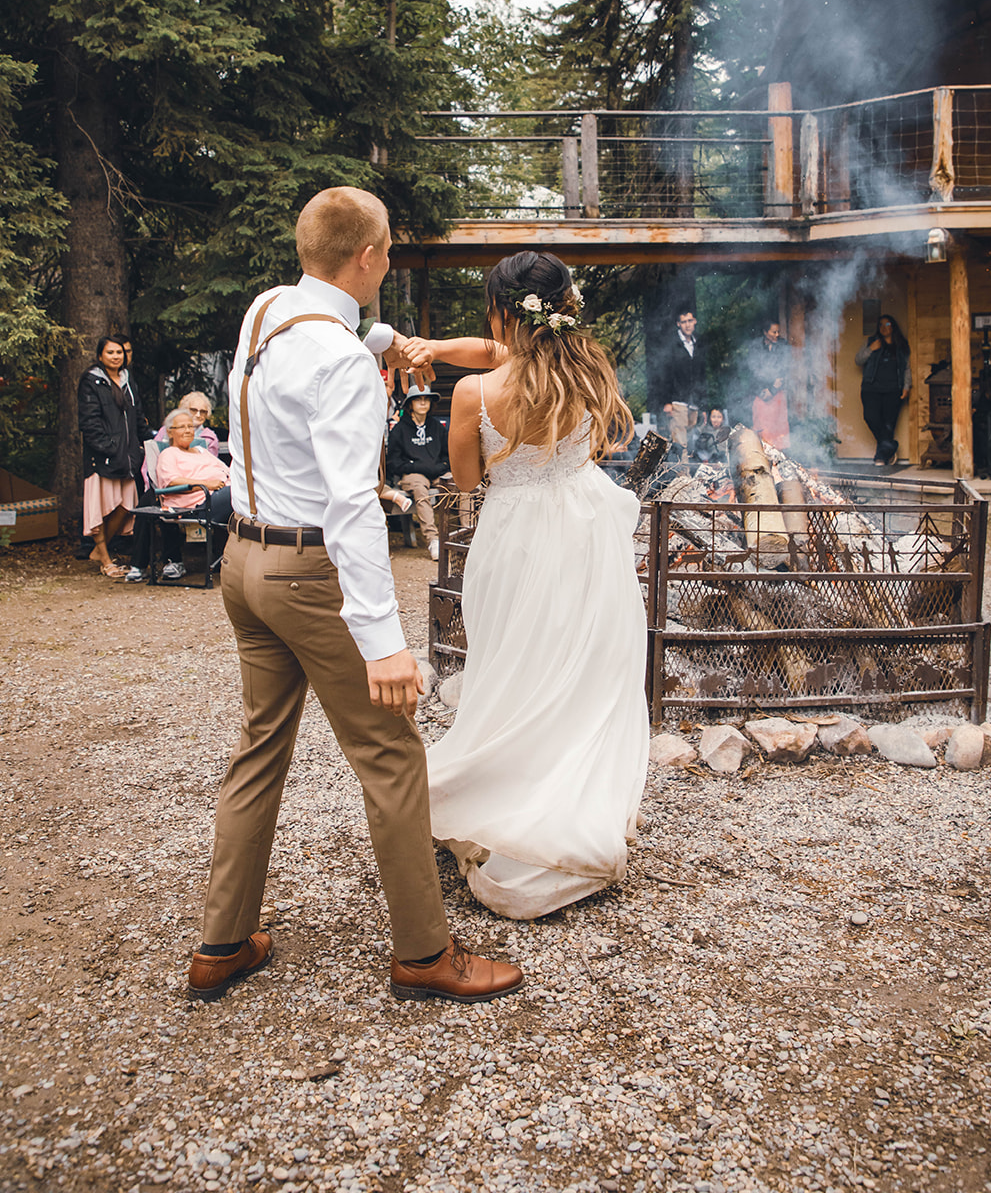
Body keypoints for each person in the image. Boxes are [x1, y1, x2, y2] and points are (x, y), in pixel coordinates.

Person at [187, 186, 521, 1006]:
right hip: (308, 577)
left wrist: (392, 339)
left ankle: (221, 943)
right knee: (392, 755)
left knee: (259, 749)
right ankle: (422, 954)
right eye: (386, 253)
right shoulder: (340, 365)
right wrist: (383, 640)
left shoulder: (268, 310)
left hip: (243, 566)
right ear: (369, 258)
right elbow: (349, 507)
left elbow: (335, 326)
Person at [423, 252, 650, 920]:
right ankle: (572, 802)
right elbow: (518, 355)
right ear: (564, 306)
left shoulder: (474, 393)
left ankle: (495, 799)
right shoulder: (585, 372)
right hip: (584, 531)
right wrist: (437, 347)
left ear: (500, 312)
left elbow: (466, 481)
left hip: (514, 537)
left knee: (511, 666)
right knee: (579, 672)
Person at [77, 335, 151, 578]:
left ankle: (100, 550)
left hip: (128, 456)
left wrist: (145, 443)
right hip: (103, 457)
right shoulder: (91, 381)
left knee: (128, 505)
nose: (116, 356)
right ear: (100, 356)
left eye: (119, 352)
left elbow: (137, 415)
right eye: (110, 352)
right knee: (99, 507)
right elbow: (89, 422)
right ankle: (105, 559)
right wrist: (108, 448)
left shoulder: (128, 381)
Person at [152, 407, 232, 581]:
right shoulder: (169, 454)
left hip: (221, 495)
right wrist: (206, 484)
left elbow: (226, 471)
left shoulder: (201, 451)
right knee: (239, 494)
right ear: (170, 432)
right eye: (182, 427)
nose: (188, 430)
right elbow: (171, 481)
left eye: (190, 426)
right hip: (198, 505)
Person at [386, 388, 450, 560]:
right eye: (418, 400)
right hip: (412, 474)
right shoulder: (400, 429)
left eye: (426, 400)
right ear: (410, 405)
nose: (423, 403)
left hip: (436, 472)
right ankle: (433, 539)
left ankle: (466, 535)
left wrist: (441, 467)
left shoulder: (436, 426)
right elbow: (393, 462)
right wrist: (417, 467)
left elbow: (447, 454)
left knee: (457, 485)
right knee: (420, 490)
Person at [855, 314, 911, 464]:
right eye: (881, 325)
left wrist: (906, 387)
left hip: (893, 390)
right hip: (871, 389)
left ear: (893, 327)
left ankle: (881, 457)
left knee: (888, 424)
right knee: (870, 417)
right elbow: (858, 360)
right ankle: (890, 447)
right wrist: (870, 349)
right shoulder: (871, 342)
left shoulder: (901, 345)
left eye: (887, 324)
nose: (884, 328)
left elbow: (907, 368)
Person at [662, 308, 706, 454]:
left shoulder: (697, 344)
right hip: (677, 400)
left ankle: (686, 473)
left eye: (690, 321)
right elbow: (666, 374)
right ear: (678, 324)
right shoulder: (673, 345)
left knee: (690, 439)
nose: (687, 325)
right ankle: (681, 474)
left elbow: (701, 375)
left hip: (693, 401)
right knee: (680, 441)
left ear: (695, 322)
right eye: (683, 322)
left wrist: (702, 402)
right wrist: (667, 401)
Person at [747, 321, 791, 449]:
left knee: (778, 431)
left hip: (776, 393)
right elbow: (751, 371)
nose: (777, 334)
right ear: (765, 332)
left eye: (778, 332)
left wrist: (773, 389)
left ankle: (778, 462)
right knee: (762, 430)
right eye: (774, 332)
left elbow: (785, 369)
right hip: (760, 394)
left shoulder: (783, 345)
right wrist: (760, 390)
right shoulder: (756, 347)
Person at [155, 390, 220, 456]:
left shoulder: (210, 438)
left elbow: (212, 463)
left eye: (203, 412)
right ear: (184, 410)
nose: (198, 415)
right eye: (193, 410)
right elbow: (151, 458)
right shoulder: (166, 430)